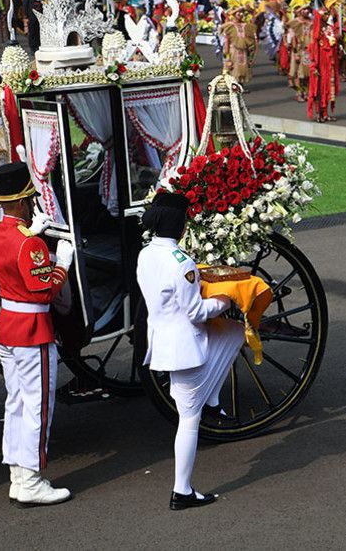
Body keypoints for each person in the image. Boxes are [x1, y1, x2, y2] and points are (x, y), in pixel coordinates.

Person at [136, 192, 242, 510]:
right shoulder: (182, 263)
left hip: (162, 340)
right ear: (181, 227)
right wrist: (227, 299)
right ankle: (182, 490)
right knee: (189, 419)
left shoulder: (146, 255)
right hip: (185, 347)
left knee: (234, 334)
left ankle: (211, 398)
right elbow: (196, 312)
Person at [0, 163, 74, 506]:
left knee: (16, 404)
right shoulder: (30, 243)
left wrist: (29, 234)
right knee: (37, 406)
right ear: (23, 202)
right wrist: (61, 264)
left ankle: (19, 477)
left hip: (7, 327)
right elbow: (44, 292)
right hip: (31, 331)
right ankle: (33, 479)